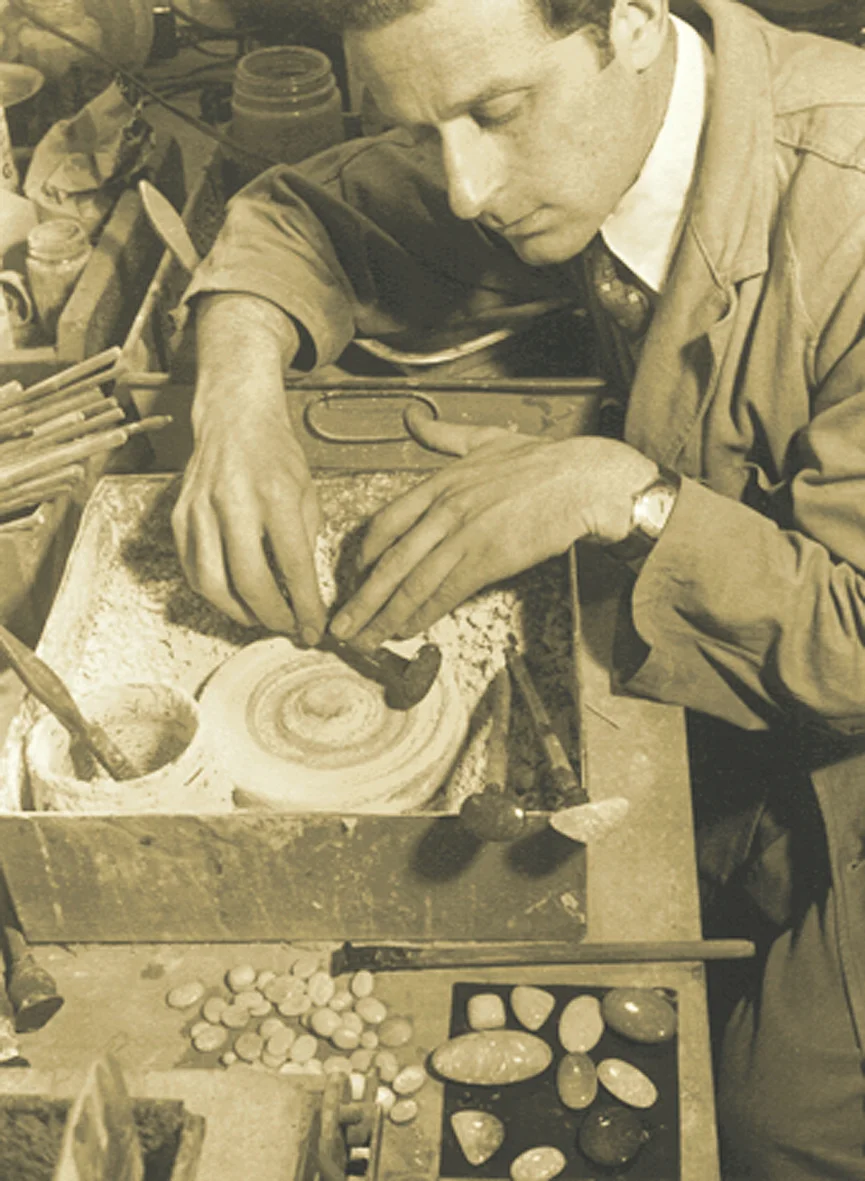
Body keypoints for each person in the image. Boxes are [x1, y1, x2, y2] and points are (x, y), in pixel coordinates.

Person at [173, 0, 865, 1175]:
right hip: (768, 686)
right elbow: (297, 213)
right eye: (424, 130)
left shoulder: (845, 201)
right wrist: (235, 396)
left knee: (769, 1123)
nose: (463, 189)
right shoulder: (562, 120)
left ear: (632, 19)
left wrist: (623, 493)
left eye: (497, 112)